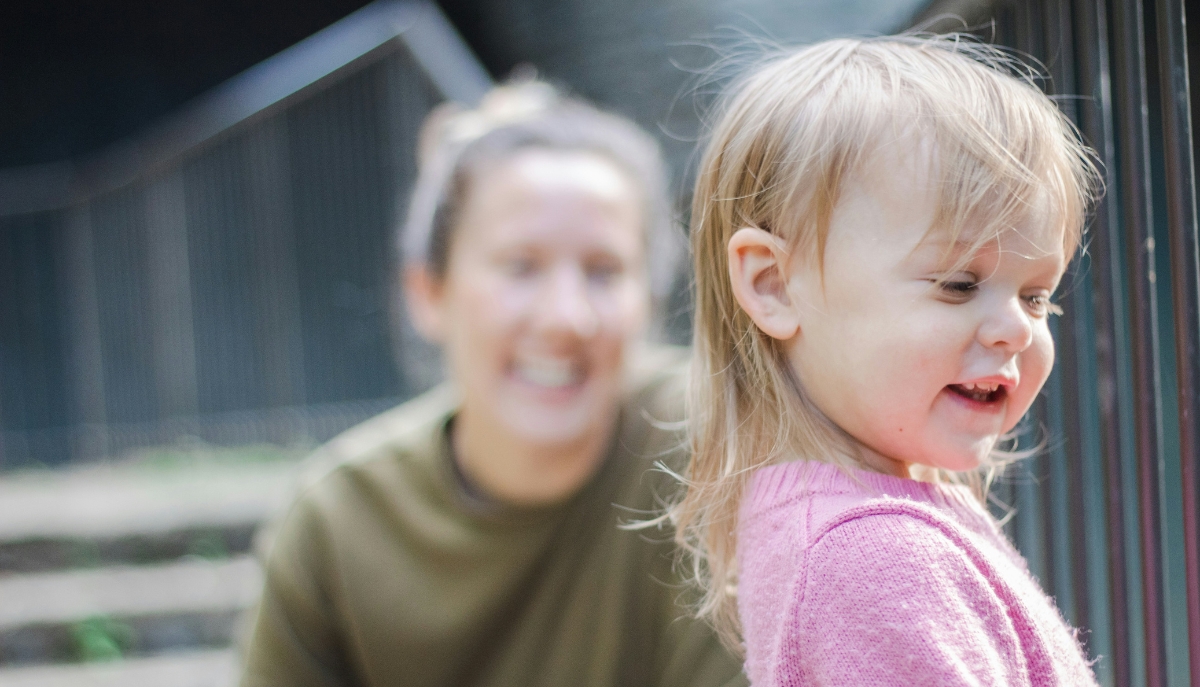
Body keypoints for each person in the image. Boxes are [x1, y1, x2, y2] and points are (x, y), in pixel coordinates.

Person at [239, 81, 747, 687]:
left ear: (650, 299)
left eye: (604, 271)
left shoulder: (721, 451)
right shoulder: (337, 522)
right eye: (520, 266)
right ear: (428, 291)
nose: (566, 317)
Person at [667, 36, 1102, 685]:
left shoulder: (855, 529)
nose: (1017, 327)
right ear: (774, 286)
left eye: (1037, 296)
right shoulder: (869, 557)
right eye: (959, 283)